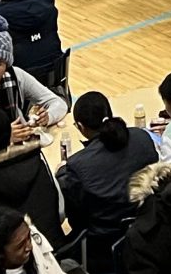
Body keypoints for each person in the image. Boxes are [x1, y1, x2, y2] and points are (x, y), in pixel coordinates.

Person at [62, 91, 157, 245]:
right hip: (150, 227)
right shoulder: (142, 137)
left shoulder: (77, 165)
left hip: (105, 243)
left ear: (80, 126)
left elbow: (76, 219)